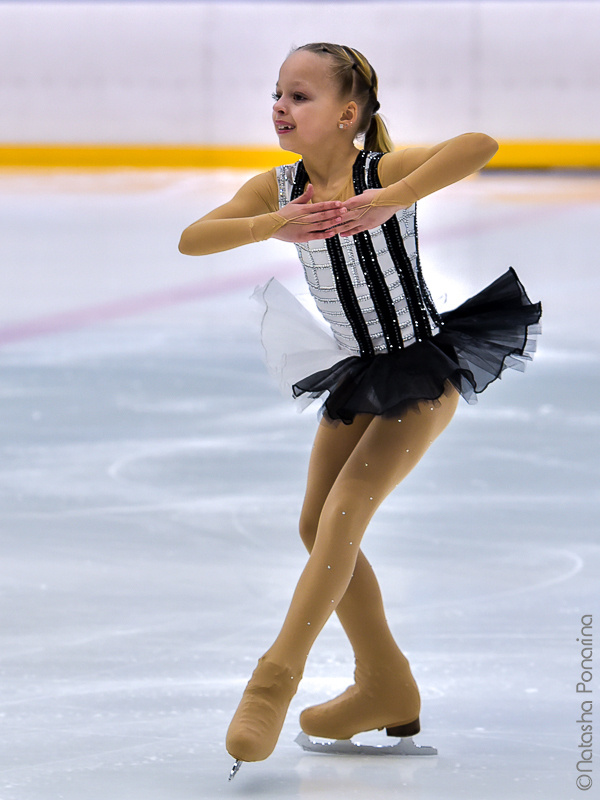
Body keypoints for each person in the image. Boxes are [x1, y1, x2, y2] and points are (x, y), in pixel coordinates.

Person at [179, 42, 541, 771]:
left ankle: (273, 679)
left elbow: (480, 145)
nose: (280, 106)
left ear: (349, 115)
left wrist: (394, 198)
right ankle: (384, 684)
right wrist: (266, 227)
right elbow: (193, 239)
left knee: (343, 514)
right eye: (277, 92)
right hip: (356, 374)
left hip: (422, 368)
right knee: (316, 524)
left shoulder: (380, 170)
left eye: (301, 96)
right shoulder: (277, 189)